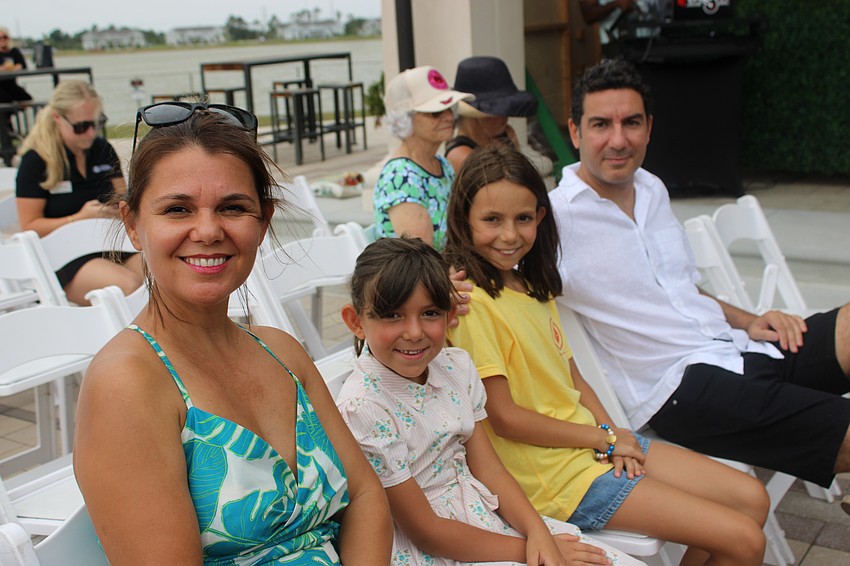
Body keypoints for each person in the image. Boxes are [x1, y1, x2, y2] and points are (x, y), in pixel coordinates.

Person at [73, 103, 393, 564]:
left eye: (233, 207)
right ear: (132, 225)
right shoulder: (128, 385)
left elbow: (365, 497)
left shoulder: (281, 351)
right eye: (178, 209)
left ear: (262, 223)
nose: (207, 230)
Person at [445, 144, 770, 565]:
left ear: (540, 218)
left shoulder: (532, 287)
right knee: (744, 539)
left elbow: (573, 379)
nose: (509, 235)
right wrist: (604, 438)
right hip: (557, 481)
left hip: (592, 447)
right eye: (492, 220)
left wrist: (614, 434)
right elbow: (505, 419)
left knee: (751, 499)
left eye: (523, 218)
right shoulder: (470, 303)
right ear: (463, 219)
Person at [550, 58, 850, 497]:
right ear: (575, 132)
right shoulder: (553, 220)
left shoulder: (652, 188)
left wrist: (748, 320)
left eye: (631, 123)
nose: (618, 140)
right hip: (680, 389)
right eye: (601, 125)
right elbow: (491, 274)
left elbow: (682, 285)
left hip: (735, 348)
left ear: (649, 127)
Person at [337, 236, 642, 566]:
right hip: (432, 546)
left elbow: (489, 469)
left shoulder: (456, 367)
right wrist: (532, 551)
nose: (414, 332)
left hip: (485, 514)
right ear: (356, 321)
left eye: (429, 313)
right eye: (393, 316)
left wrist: (537, 532)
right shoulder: (363, 407)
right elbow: (426, 530)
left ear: (450, 313)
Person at [15, 80, 143, 304]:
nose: (90, 132)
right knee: (129, 286)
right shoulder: (35, 161)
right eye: (81, 126)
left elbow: (125, 199)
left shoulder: (101, 149)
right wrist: (78, 218)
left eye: (96, 123)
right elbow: (30, 225)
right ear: (57, 118)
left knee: (160, 275)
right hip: (65, 256)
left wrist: (118, 209)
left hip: (110, 245)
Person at [373, 65, 473, 250]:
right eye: (435, 112)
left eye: (450, 108)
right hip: (419, 276)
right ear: (404, 119)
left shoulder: (442, 164)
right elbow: (421, 258)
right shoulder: (401, 176)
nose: (449, 117)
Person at [445, 56, 537, 174]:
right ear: (476, 115)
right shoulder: (460, 155)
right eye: (497, 111)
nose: (505, 117)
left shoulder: (506, 134)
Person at [0, 27, 32, 105]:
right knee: (5, 100)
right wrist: (3, 68)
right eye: (0, 38)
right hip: (1, 85)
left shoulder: (14, 51)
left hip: (11, 84)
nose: (2, 40)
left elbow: (22, 64)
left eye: (5, 37)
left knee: (27, 99)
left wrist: (14, 68)